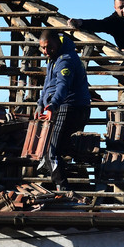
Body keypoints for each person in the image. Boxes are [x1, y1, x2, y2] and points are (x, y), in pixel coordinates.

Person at [36, 30, 91, 190]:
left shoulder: (65, 60)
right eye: (43, 48)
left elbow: (62, 85)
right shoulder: (54, 59)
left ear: (57, 43)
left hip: (69, 107)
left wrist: (53, 104)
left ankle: (63, 189)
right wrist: (40, 103)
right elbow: (47, 84)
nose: (45, 52)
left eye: (49, 47)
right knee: (53, 149)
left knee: (51, 150)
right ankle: (55, 180)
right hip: (66, 107)